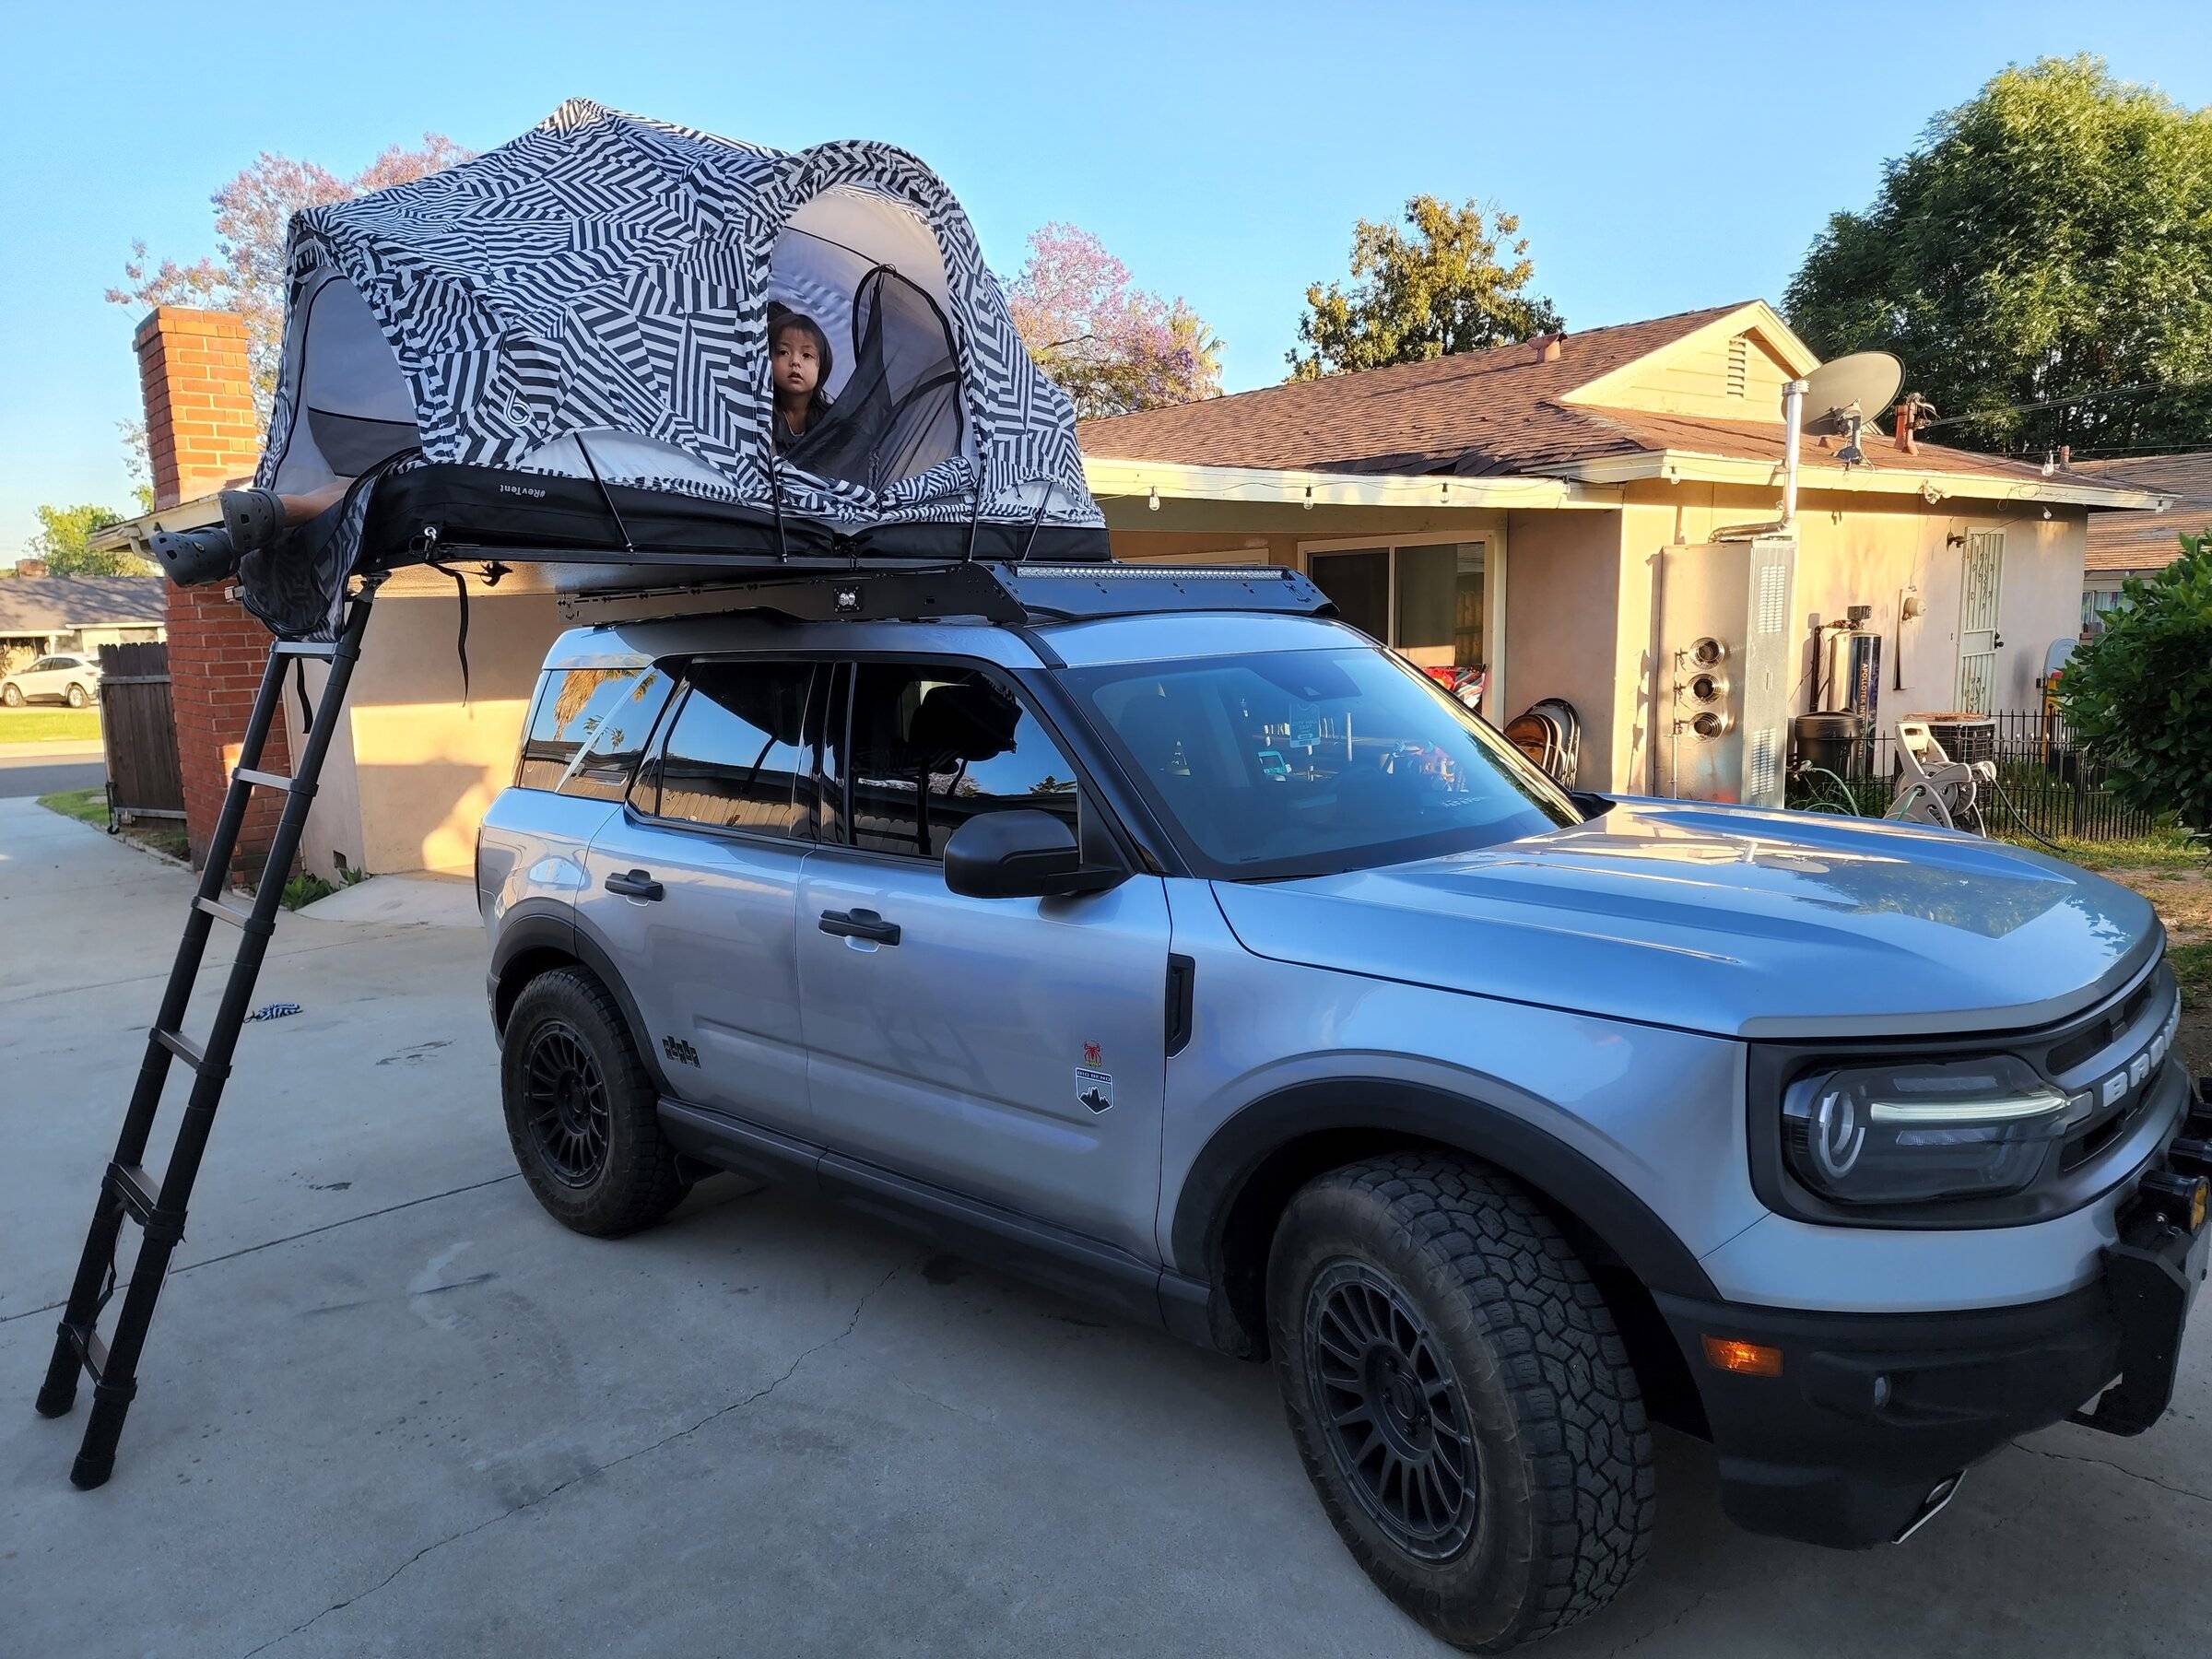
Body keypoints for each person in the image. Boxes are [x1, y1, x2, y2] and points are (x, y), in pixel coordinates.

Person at [768, 307, 834, 452]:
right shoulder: (759, 415)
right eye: (784, 352)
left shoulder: (832, 422)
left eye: (807, 355)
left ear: (822, 365)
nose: (795, 362)